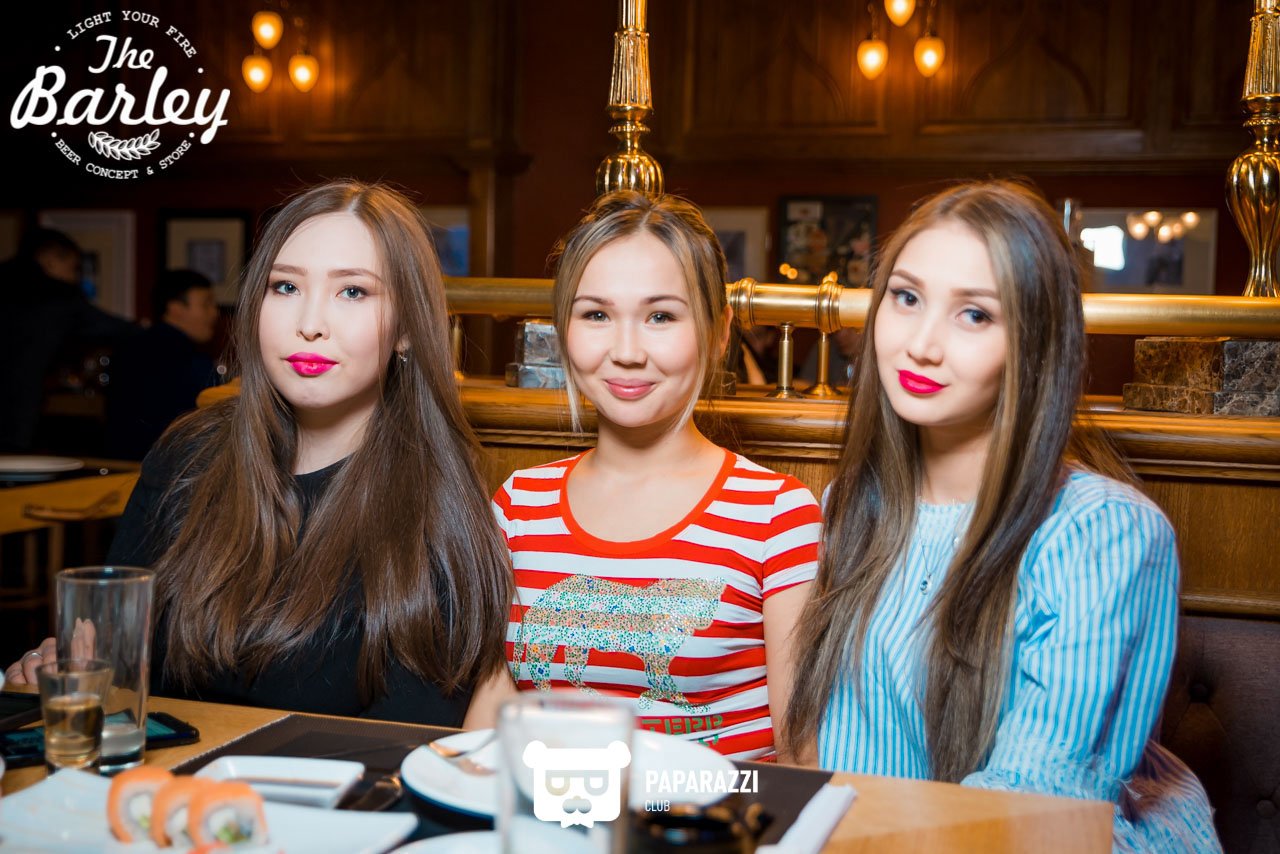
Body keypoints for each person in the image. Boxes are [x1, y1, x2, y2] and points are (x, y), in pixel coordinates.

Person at [784, 180, 1219, 850]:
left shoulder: (1101, 533)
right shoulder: (851, 505)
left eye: (975, 315)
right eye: (906, 297)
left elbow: (1032, 802)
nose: (921, 344)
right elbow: (831, 755)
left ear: (1034, 344)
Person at [7, 181, 513, 727]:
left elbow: (406, 742)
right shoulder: (189, 454)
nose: (309, 324)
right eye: (285, 286)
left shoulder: (439, 506)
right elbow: (112, 664)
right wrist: (54, 672)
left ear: (407, 330)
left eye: (353, 292)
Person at [464, 192, 821, 762]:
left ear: (719, 331)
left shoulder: (776, 515)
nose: (626, 351)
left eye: (661, 316)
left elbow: (803, 756)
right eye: (596, 315)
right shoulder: (518, 505)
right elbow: (491, 717)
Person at [0, 228, 135, 451]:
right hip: (16, 410)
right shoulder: (57, 296)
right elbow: (114, 328)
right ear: (50, 260)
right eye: (73, 268)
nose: (75, 277)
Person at [105, 269, 221, 460]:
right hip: (170, 464)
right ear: (175, 308)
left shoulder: (131, 346)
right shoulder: (186, 356)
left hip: (124, 458)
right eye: (206, 304)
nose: (215, 312)